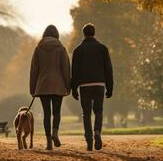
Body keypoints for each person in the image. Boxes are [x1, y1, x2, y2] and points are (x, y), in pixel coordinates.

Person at [71, 23, 113, 151]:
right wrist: (110, 87)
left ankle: (89, 140)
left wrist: (74, 88)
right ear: (94, 33)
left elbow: (75, 71)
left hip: (84, 85)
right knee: (98, 111)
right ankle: (97, 132)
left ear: (84, 33)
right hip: (100, 84)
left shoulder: (78, 50)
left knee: (86, 113)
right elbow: (108, 69)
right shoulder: (103, 48)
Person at [30, 25, 71, 150]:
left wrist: (33, 89)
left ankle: (48, 141)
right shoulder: (61, 49)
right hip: (58, 84)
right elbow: (66, 69)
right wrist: (68, 85)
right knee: (56, 112)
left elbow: (34, 71)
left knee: (46, 114)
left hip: (43, 85)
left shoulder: (38, 49)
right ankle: (55, 133)